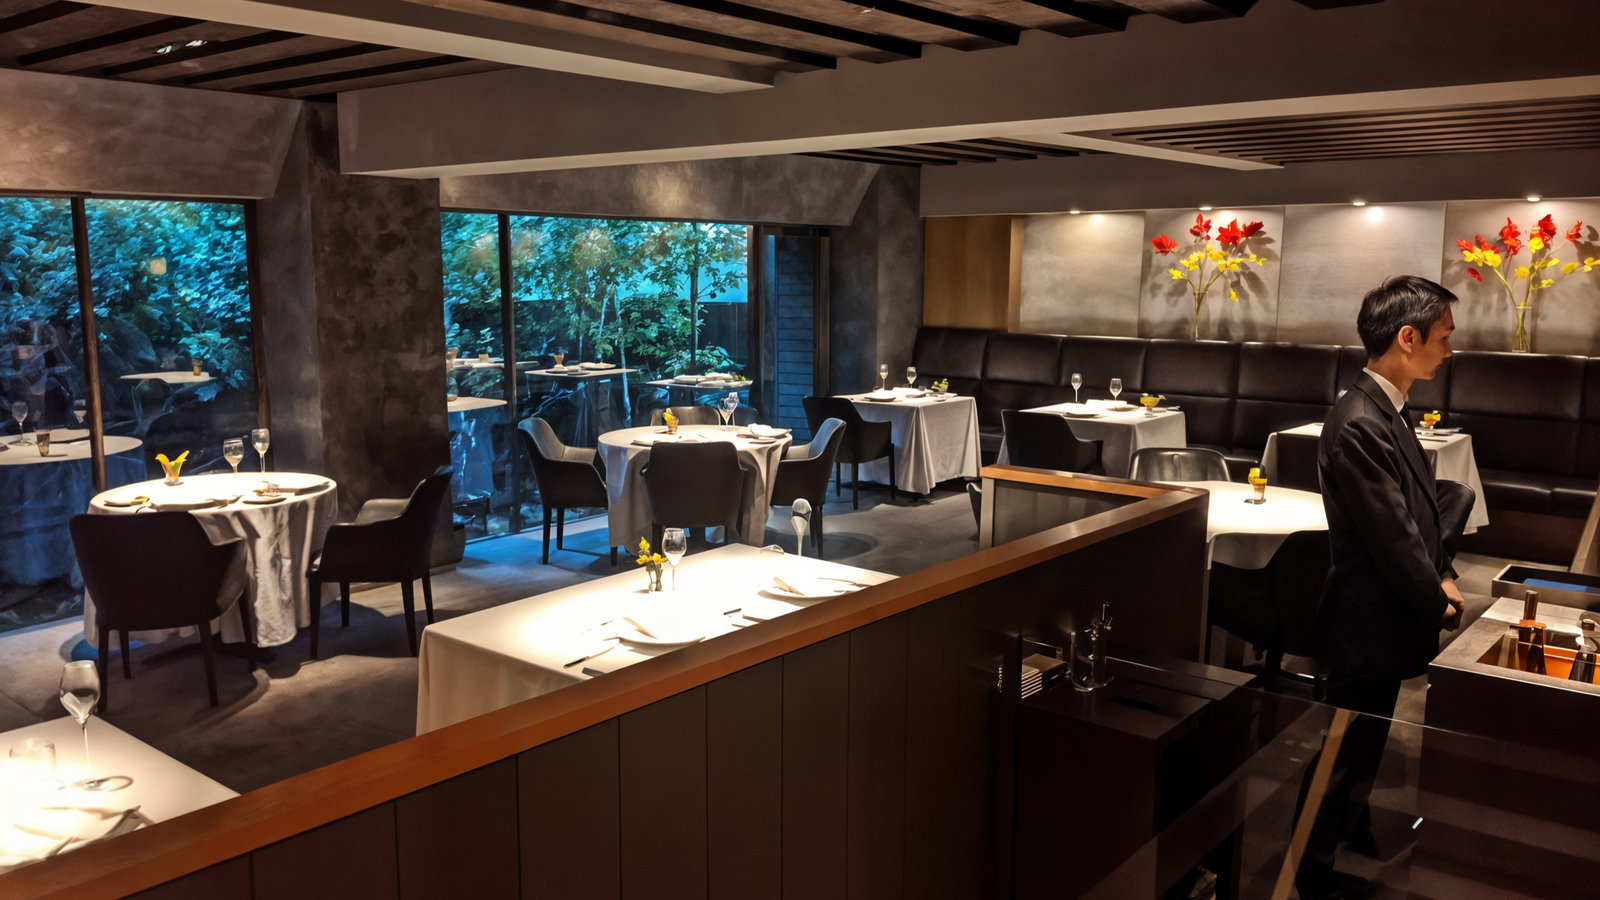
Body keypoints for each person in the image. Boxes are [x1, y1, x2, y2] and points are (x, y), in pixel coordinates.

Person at [1298, 275, 1465, 900]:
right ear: (1406, 337)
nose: (1449, 350)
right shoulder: (1361, 420)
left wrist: (1441, 572)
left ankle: (1344, 839)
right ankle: (1306, 875)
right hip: (1365, 621)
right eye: (1443, 338)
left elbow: (1417, 517)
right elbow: (1391, 538)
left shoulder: (1385, 409)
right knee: (1340, 755)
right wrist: (1436, 596)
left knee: (1362, 746)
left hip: (1385, 621)